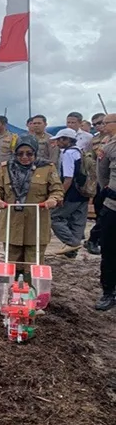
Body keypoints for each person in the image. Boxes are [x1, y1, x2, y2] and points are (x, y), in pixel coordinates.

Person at [0, 134, 64, 286]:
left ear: (35, 153)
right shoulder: (5, 168)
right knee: (12, 260)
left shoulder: (47, 168)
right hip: (13, 223)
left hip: (36, 222)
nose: (24, 157)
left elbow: (57, 189)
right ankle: (11, 292)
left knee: (34, 261)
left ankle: (33, 292)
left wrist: (52, 199)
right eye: (20, 153)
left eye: (29, 154)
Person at [49, 128, 89, 258]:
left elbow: (68, 178)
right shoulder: (80, 152)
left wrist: (60, 194)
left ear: (66, 139)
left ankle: (71, 243)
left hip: (71, 192)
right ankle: (72, 252)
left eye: (59, 140)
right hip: (83, 191)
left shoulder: (68, 154)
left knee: (54, 217)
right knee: (77, 220)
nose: (58, 143)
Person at [95, 113, 116, 310]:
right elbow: (101, 172)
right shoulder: (108, 147)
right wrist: (107, 191)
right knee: (109, 250)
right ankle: (109, 292)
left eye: (106, 123)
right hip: (113, 206)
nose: (103, 125)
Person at [83, 113, 109, 255]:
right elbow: (89, 157)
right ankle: (94, 239)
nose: (99, 126)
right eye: (95, 124)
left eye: (101, 123)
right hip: (102, 180)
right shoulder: (95, 140)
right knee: (103, 211)